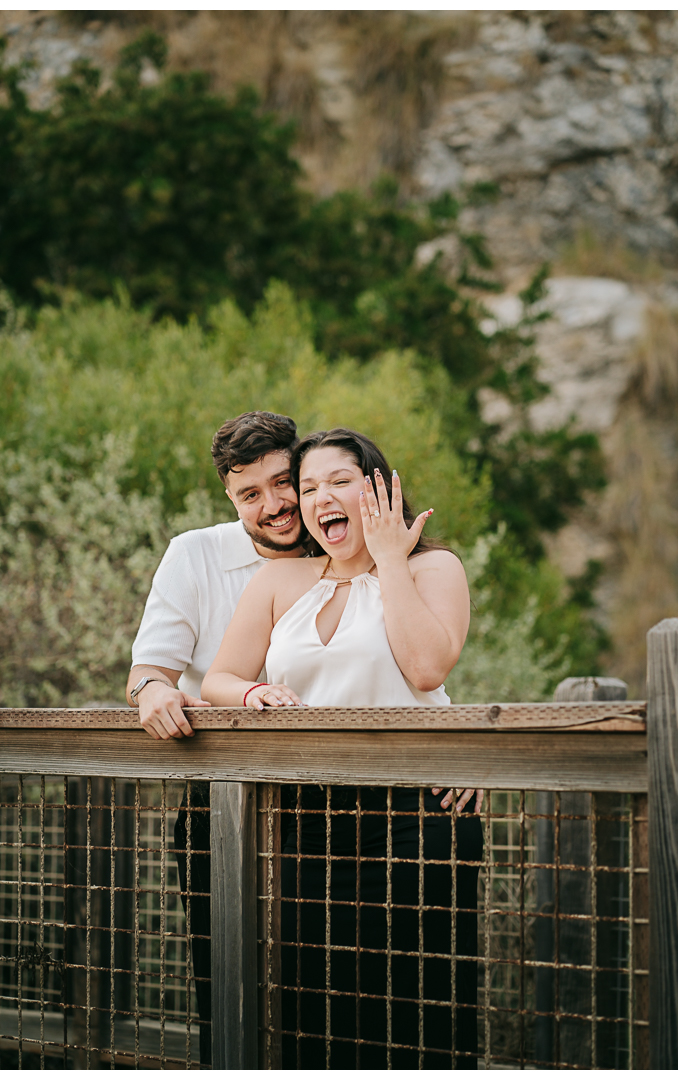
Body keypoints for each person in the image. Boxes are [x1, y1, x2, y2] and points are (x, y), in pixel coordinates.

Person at [202, 428, 484, 1069]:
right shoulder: (280, 580)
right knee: (307, 1002)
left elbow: (426, 669)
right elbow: (220, 677)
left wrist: (387, 559)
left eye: (338, 481)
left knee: (419, 1006)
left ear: (378, 488)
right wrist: (252, 697)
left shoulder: (432, 568)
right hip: (303, 819)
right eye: (307, 488)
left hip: (416, 813)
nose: (319, 496)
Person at [126, 410, 308, 1067]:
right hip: (221, 803)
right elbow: (151, 666)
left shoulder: (340, 548)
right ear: (230, 498)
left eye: (283, 482)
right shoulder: (194, 554)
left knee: (331, 990)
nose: (275, 505)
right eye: (250, 494)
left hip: (335, 798)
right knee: (229, 984)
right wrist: (153, 693)